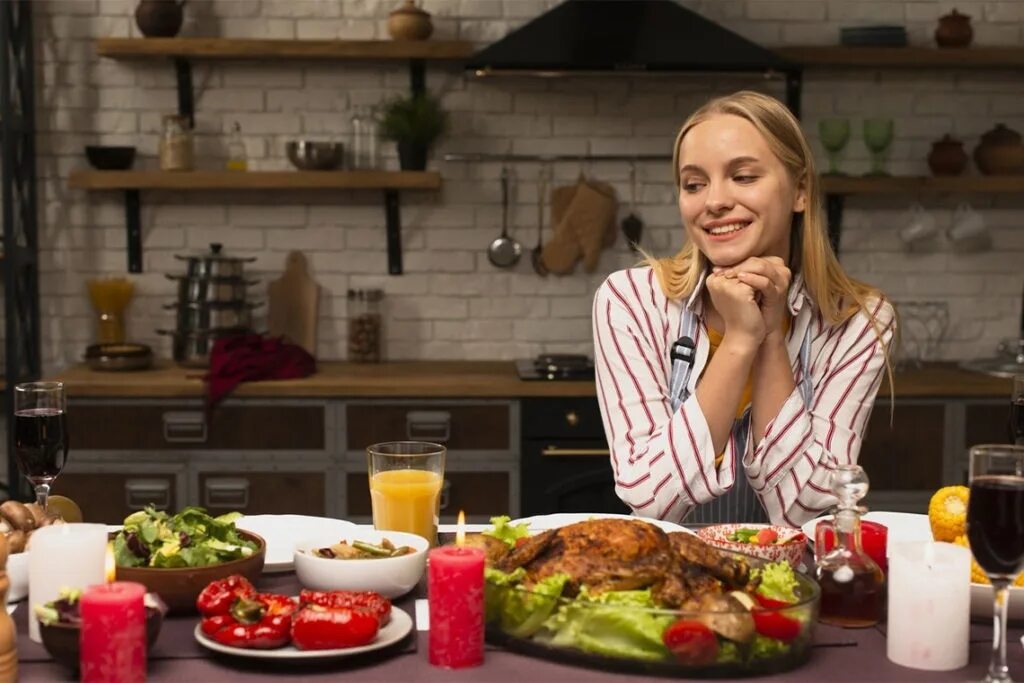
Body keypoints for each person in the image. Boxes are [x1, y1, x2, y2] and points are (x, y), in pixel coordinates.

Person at [592, 91, 895, 527]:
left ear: (801, 192)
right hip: (675, 582)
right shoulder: (632, 300)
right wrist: (740, 340)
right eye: (694, 184)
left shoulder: (857, 320)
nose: (714, 201)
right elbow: (651, 500)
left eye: (744, 177)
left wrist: (771, 334)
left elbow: (804, 508)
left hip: (792, 587)